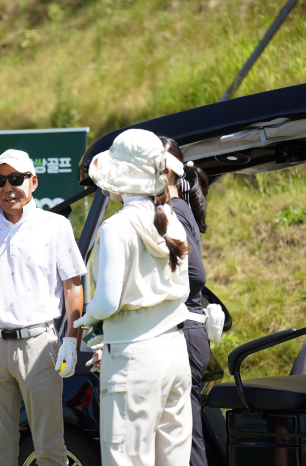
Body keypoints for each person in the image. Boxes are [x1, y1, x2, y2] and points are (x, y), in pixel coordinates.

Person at [0, 149, 86, 466]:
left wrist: (72, 339)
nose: (8, 187)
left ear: (33, 181)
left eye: (16, 178)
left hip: (40, 345)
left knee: (50, 447)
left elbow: (73, 286)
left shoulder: (55, 226)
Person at [74, 129, 192, 466]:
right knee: (173, 459)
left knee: (127, 458)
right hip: (174, 350)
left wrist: (87, 317)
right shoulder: (172, 220)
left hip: (134, 356)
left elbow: (108, 300)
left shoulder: (116, 228)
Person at [160, 135, 211, 466]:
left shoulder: (171, 211)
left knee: (183, 443)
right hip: (185, 332)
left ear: (165, 171)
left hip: (181, 333)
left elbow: (195, 276)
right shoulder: (177, 208)